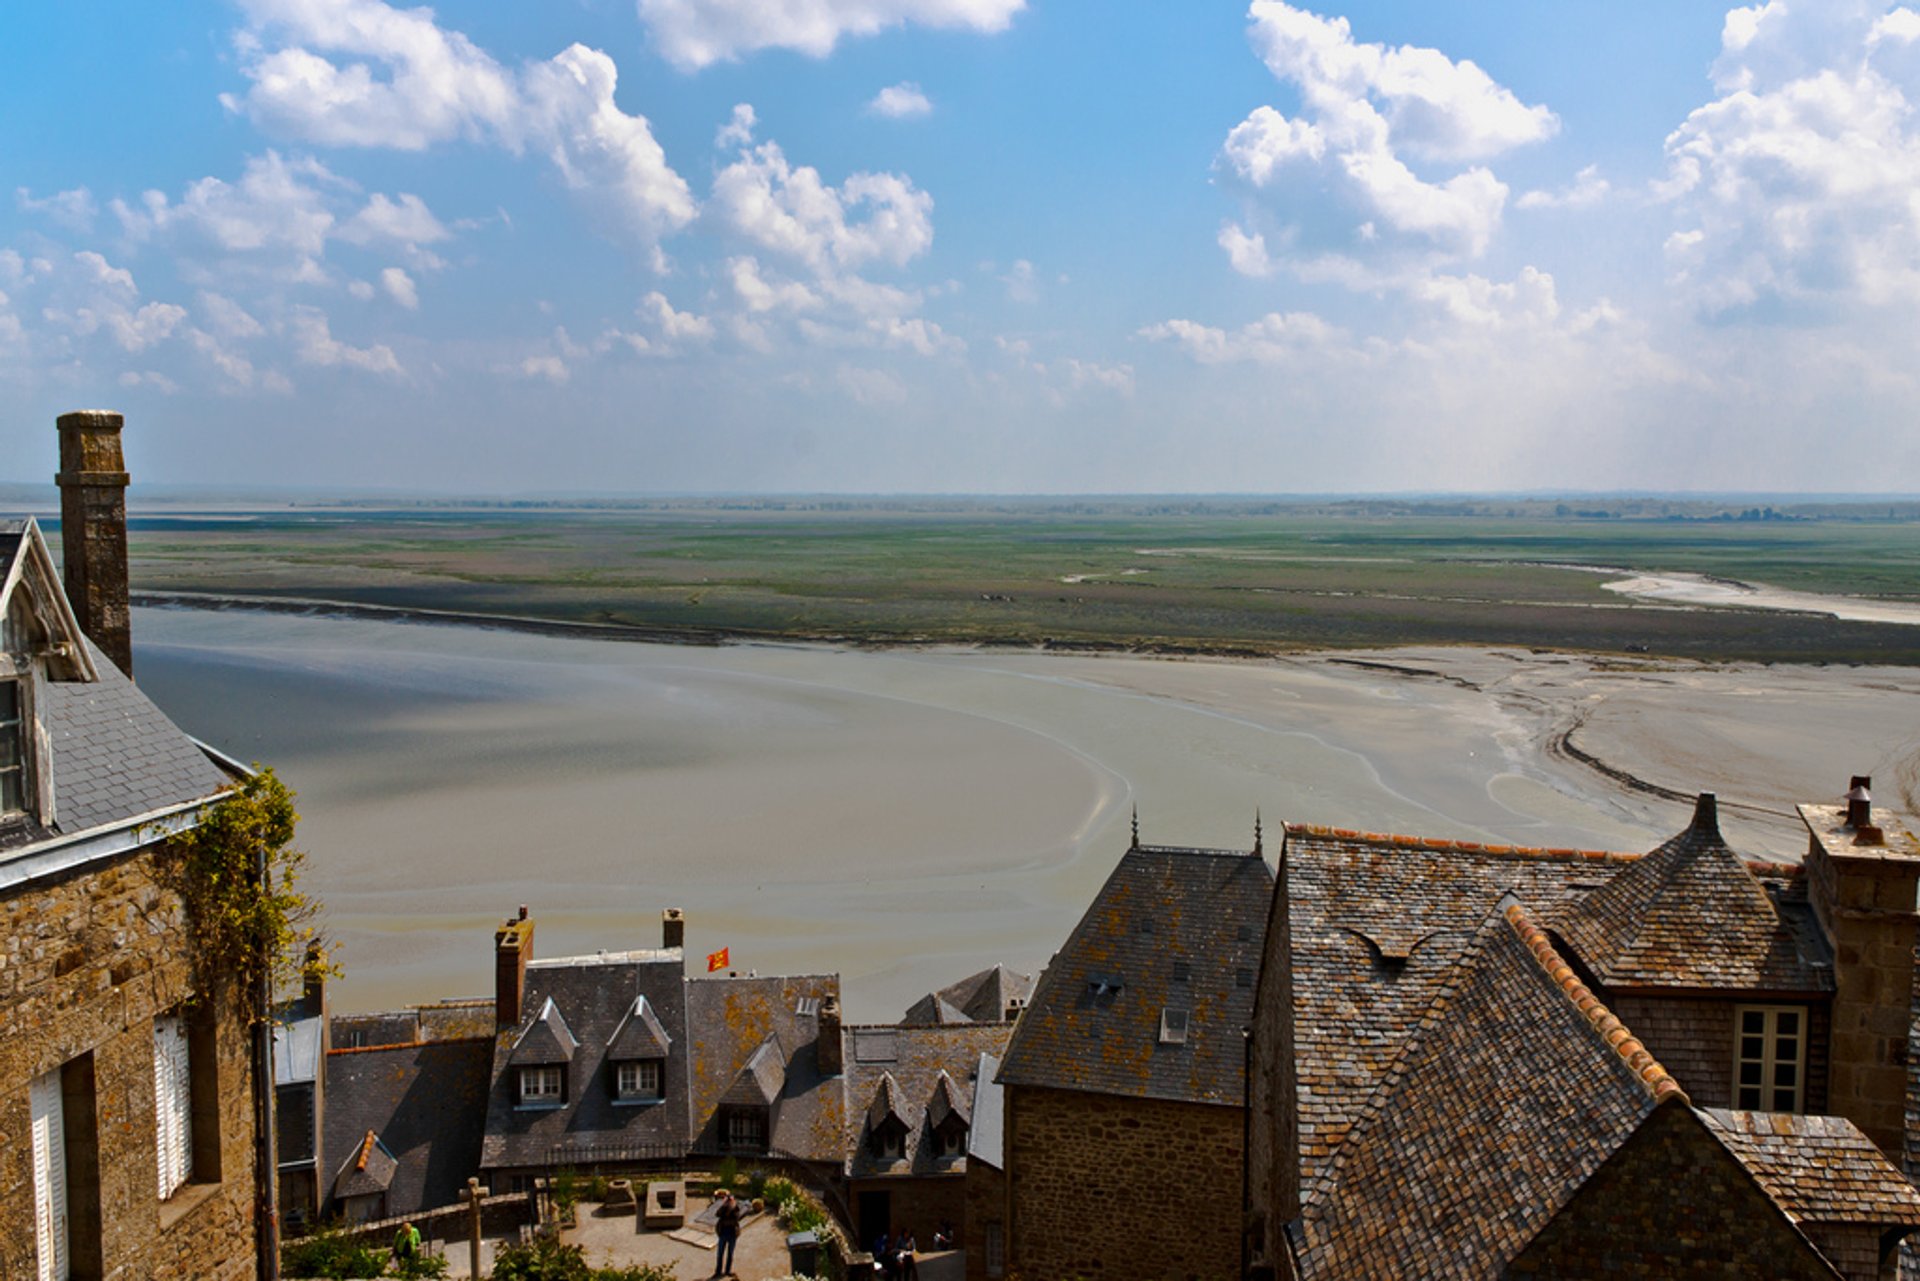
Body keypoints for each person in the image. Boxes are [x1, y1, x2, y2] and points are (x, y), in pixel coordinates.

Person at [712, 1190, 742, 1279]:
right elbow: (717, 1214)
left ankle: (727, 1271)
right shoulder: (724, 1208)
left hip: (731, 1233)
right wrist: (724, 1206)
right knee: (720, 1253)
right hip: (723, 1233)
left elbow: (737, 1217)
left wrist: (732, 1207)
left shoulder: (735, 1208)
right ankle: (718, 1271)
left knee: (729, 1253)